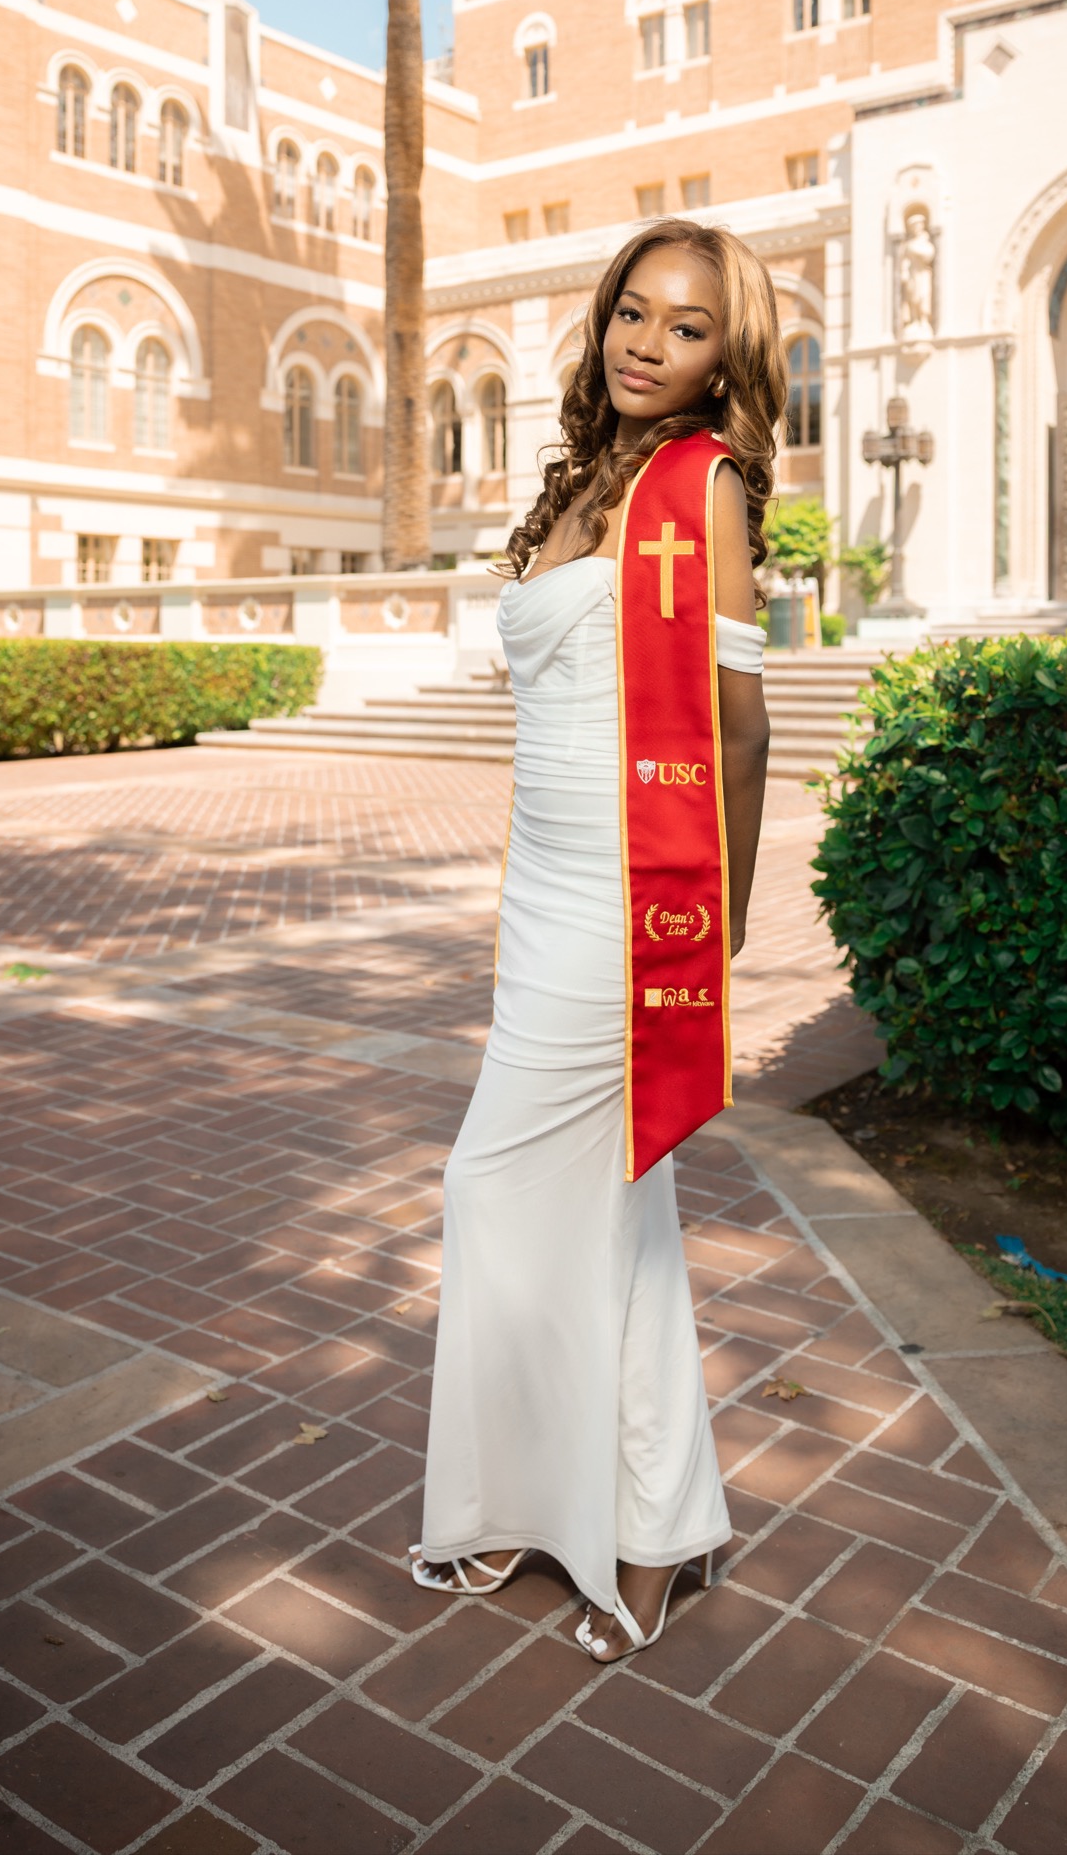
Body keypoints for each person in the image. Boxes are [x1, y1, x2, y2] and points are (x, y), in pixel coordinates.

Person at [412, 217, 786, 1662]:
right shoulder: (584, 482)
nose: (648, 343)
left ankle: (561, 1508)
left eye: (687, 327)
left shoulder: (702, 490)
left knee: (494, 1184)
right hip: (544, 883)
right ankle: (642, 1524)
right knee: (615, 1218)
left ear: (725, 356)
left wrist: (722, 923)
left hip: (633, 900)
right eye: (634, 313)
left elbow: (741, 731)